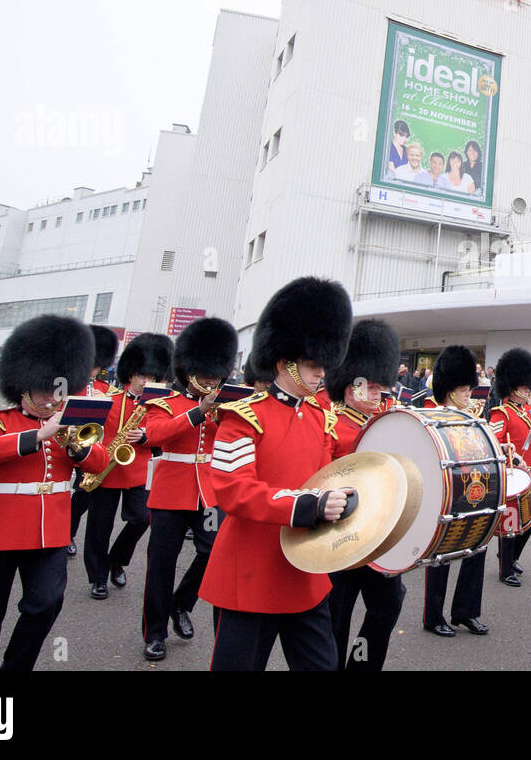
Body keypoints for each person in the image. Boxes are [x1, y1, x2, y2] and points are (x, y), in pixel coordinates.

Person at [203, 277, 355, 671]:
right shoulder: (242, 417)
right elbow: (234, 492)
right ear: (283, 361)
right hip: (252, 570)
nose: (322, 373)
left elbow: (330, 477)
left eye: (324, 363)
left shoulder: (322, 417)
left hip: (305, 571)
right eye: (312, 364)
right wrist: (307, 506)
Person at [0, 315, 109, 670]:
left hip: (49, 533)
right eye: (43, 390)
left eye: (55, 390)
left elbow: (100, 463)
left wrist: (76, 447)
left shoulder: (69, 425)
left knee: (46, 604)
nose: (50, 398)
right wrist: (38, 435)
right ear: (22, 385)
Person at [140, 317, 237, 661]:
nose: (212, 381)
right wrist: (198, 412)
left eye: (216, 374)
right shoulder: (163, 403)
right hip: (170, 493)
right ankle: (154, 634)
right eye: (206, 374)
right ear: (188, 370)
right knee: (161, 565)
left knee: (212, 552)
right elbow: (155, 435)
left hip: (209, 494)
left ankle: (182, 603)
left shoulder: (224, 406)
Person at [324, 319, 408, 669]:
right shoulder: (330, 426)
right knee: (336, 616)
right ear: (349, 386)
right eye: (370, 387)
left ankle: (362, 664)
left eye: (379, 387)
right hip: (342, 537)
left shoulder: (386, 420)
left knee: (388, 604)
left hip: (380, 534)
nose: (378, 394)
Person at [82, 333, 172, 599]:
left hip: (138, 469)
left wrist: (147, 436)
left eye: (152, 376)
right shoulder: (107, 398)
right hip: (105, 468)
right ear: (130, 373)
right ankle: (98, 577)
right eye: (142, 375)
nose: (146, 381)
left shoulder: (159, 404)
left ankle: (117, 559)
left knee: (142, 518)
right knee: (99, 527)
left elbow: (166, 432)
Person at [421, 345, 493, 637]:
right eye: (464, 390)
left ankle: (466, 611)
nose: (469, 395)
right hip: (445, 491)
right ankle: (433, 615)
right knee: (440, 555)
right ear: (450, 390)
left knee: (477, 547)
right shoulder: (431, 414)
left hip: (473, 488)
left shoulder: (472, 416)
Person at [489, 348, 531, 586]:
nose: (528, 391)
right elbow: (495, 443)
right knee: (511, 523)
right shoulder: (501, 413)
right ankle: (505, 569)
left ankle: (512, 556)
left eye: (528, 388)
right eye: (525, 388)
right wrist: (513, 459)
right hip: (513, 475)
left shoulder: (528, 411)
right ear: (513, 388)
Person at [68, 324, 120, 557]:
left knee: (83, 494)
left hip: (90, 448)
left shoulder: (106, 389)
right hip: (66, 443)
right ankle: (64, 533)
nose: (93, 370)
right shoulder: (68, 384)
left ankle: (67, 533)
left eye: (96, 366)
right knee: (71, 495)